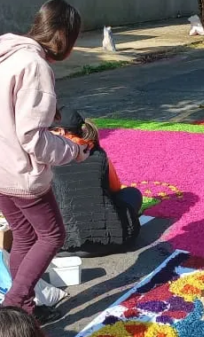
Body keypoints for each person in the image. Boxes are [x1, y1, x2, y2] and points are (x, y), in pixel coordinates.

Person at [0, 0, 90, 325]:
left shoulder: (4, 55)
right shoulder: (36, 66)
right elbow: (32, 138)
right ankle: (15, 307)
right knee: (52, 235)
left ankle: (25, 302)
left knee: (25, 237)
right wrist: (73, 150)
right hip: (18, 171)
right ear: (64, 37)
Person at [49, 108, 143, 258]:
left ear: (60, 131)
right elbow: (115, 188)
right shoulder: (98, 154)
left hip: (63, 246)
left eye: (48, 131)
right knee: (132, 194)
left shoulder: (47, 157)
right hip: (110, 242)